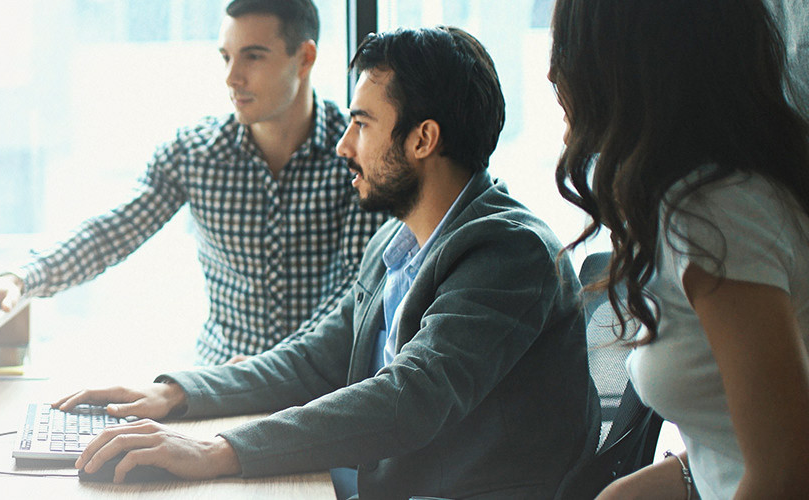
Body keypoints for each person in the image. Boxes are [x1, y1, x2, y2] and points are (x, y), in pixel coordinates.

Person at [53, 26, 597, 499]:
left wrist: (217, 451)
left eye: (362, 124)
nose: (343, 145)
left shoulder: (510, 251)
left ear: (423, 139)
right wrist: (175, 394)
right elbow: (317, 359)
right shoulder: (397, 241)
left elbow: (411, 397)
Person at [0, 0, 390, 365]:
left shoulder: (353, 150)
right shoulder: (194, 153)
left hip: (313, 389)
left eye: (253, 56)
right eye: (226, 57)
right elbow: (113, 231)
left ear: (305, 57)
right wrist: (23, 277)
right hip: (215, 383)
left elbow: (351, 292)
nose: (232, 77)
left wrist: (268, 371)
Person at [549, 0, 809, 497]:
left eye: (571, 42)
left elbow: (786, 475)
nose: (553, 70)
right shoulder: (698, 201)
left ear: (634, 59)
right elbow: (741, 441)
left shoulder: (715, 213)